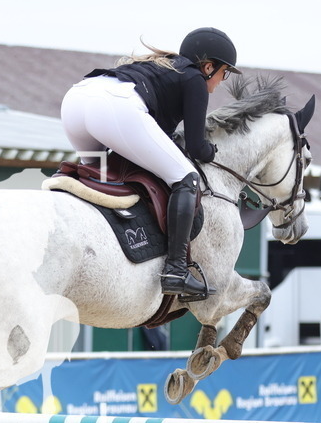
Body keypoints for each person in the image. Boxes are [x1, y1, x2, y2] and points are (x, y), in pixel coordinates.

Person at [60, 27, 240, 299]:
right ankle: (176, 271)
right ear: (208, 67)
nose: (221, 81)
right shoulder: (194, 78)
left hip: (76, 100)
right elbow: (196, 147)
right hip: (113, 107)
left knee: (97, 177)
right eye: (224, 72)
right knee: (186, 178)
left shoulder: (163, 69)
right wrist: (211, 152)